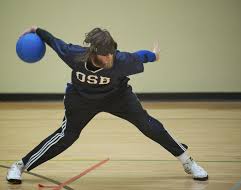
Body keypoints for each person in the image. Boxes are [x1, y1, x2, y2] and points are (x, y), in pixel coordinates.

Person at [7, 26, 208, 184]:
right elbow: (53, 42)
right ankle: (20, 165)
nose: (109, 58)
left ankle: (187, 161)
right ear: (93, 53)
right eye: (104, 54)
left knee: (147, 123)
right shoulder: (73, 55)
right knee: (66, 136)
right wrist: (36, 30)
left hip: (117, 96)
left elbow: (140, 56)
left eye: (111, 52)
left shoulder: (120, 60)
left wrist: (154, 55)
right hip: (81, 99)